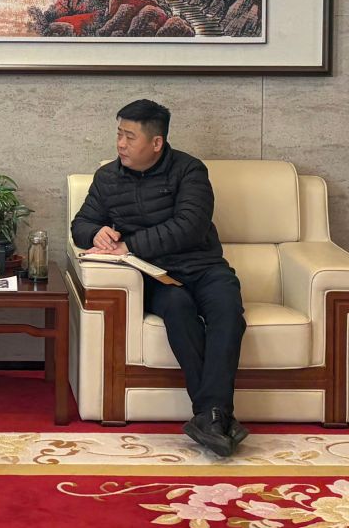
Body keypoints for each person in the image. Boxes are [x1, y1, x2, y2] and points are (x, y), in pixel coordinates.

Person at [71, 99, 250, 459]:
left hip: (203, 266)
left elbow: (190, 226)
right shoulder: (107, 177)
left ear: (156, 142)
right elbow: (81, 224)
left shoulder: (190, 171)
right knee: (179, 309)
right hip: (155, 276)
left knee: (228, 312)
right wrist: (97, 233)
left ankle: (209, 416)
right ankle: (215, 416)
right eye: (119, 134)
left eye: (129, 136)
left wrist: (128, 244)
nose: (121, 144)